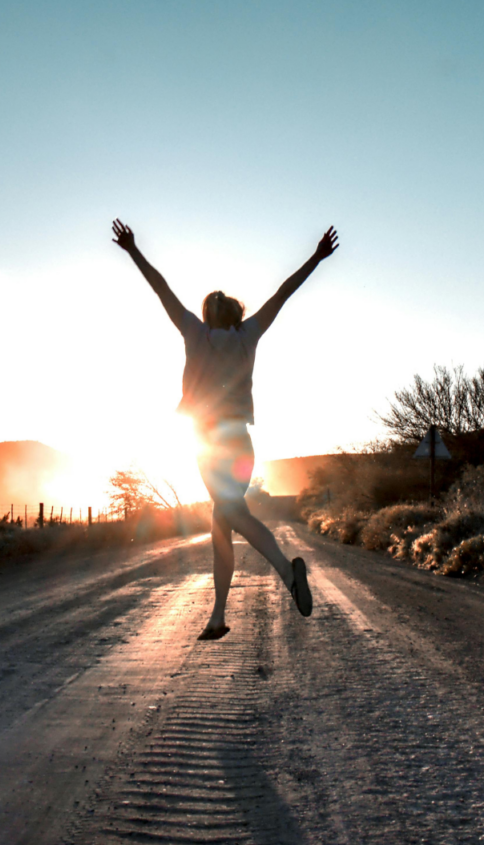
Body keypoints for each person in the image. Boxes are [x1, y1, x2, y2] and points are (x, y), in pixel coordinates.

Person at [112, 218, 339, 640]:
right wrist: (316, 258)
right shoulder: (248, 334)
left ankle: (288, 572)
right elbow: (283, 294)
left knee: (232, 514)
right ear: (236, 313)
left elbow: (160, 288)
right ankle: (217, 616)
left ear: (207, 315)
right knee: (222, 525)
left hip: (209, 443)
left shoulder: (194, 333)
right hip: (241, 441)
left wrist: (133, 251)